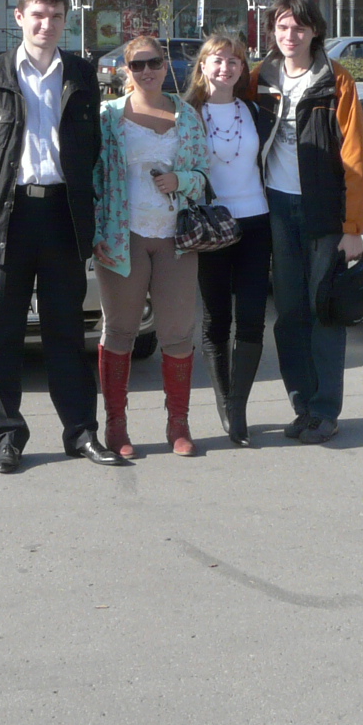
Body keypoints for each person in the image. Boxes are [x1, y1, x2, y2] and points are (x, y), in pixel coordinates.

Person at [0, 0, 122, 474]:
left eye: (54, 16)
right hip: (9, 217)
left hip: (63, 215)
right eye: (37, 15)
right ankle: (8, 436)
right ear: (19, 18)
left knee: (66, 331)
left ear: (64, 21)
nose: (46, 24)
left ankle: (81, 432)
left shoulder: (81, 74)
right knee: (1, 332)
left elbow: (91, 146)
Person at [255, 0, 363, 445]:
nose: (290, 35)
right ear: (273, 30)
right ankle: (302, 406)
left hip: (323, 213)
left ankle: (325, 411)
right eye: (282, 26)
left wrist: (353, 228)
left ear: (315, 31)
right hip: (277, 209)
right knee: (289, 315)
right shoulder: (259, 78)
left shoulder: (336, 80)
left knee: (324, 313)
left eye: (299, 27)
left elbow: (355, 158)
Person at [93, 35, 214, 458]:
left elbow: (203, 175)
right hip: (122, 237)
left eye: (154, 62)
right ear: (127, 71)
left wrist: (181, 180)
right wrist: (96, 233)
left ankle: (178, 424)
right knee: (120, 331)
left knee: (178, 334)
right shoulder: (109, 116)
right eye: (138, 64)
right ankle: (116, 426)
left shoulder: (187, 116)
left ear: (166, 66)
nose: (147, 71)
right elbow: (93, 177)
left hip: (176, 240)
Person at [184, 33, 275, 447]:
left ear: (242, 69)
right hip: (212, 227)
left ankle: (238, 406)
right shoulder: (188, 114)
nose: (225, 67)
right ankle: (225, 401)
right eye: (217, 60)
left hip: (256, 222)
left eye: (234, 61)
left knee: (252, 318)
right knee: (216, 319)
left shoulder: (255, 110)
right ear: (203, 66)